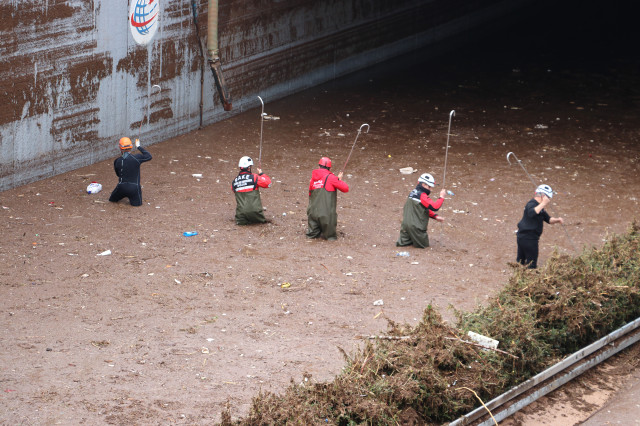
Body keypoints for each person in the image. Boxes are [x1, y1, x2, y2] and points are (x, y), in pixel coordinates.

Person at [516, 184, 564, 269]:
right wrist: (544, 203)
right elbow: (531, 213)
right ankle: (527, 278)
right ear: (543, 196)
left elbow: (548, 219)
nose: (549, 200)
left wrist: (557, 220)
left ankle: (520, 276)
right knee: (531, 264)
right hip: (529, 239)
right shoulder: (532, 204)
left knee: (521, 262)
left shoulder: (539, 207)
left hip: (525, 237)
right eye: (548, 198)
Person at [396, 173, 446, 248]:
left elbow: (421, 209)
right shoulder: (422, 195)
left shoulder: (412, 193)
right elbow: (435, 207)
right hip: (416, 227)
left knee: (402, 245)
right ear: (424, 185)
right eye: (429, 187)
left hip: (405, 226)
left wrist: (435, 216)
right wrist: (441, 197)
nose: (430, 189)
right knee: (424, 246)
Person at [306, 157, 349, 240]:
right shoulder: (331, 178)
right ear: (330, 168)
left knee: (311, 236)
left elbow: (310, 195)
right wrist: (339, 180)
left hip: (312, 213)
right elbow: (345, 188)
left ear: (319, 166)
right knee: (330, 238)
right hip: (326, 215)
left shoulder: (312, 179)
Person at [108, 137, 152, 206]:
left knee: (112, 200)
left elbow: (118, 174)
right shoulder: (137, 158)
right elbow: (149, 156)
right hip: (134, 188)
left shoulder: (117, 161)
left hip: (121, 188)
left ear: (120, 147)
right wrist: (138, 146)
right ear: (131, 147)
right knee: (137, 205)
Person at [231, 156, 271, 225]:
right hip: (256, 214)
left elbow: (233, 189)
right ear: (249, 167)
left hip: (241, 217)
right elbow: (268, 184)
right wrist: (261, 174)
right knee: (259, 222)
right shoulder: (254, 177)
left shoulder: (234, 181)